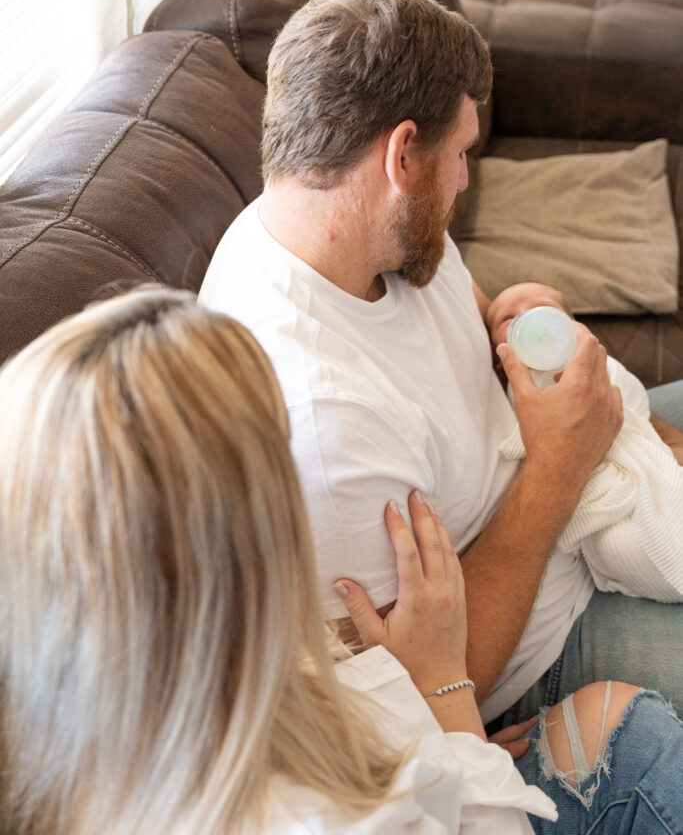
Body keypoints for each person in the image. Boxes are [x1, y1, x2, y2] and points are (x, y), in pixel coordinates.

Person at [1, 285, 682, 835]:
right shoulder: (313, 817)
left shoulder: (84, 715)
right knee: (634, 730)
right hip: (488, 717)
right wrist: (448, 706)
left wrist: (436, 745)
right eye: (280, 454)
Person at [199, 0, 683, 728]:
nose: (463, 180)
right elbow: (430, 690)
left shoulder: (350, 223)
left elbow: (461, 321)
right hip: (547, 642)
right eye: (459, 154)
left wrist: (517, 324)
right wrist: (561, 462)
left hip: (574, 476)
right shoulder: (326, 422)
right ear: (401, 156)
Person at [485, 281, 683, 601]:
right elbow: (520, 444)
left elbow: (634, 408)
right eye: (509, 319)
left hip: (638, 459)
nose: (530, 320)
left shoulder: (600, 364)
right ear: (497, 357)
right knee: (622, 547)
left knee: (669, 499)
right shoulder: (511, 391)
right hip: (593, 494)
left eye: (543, 311)